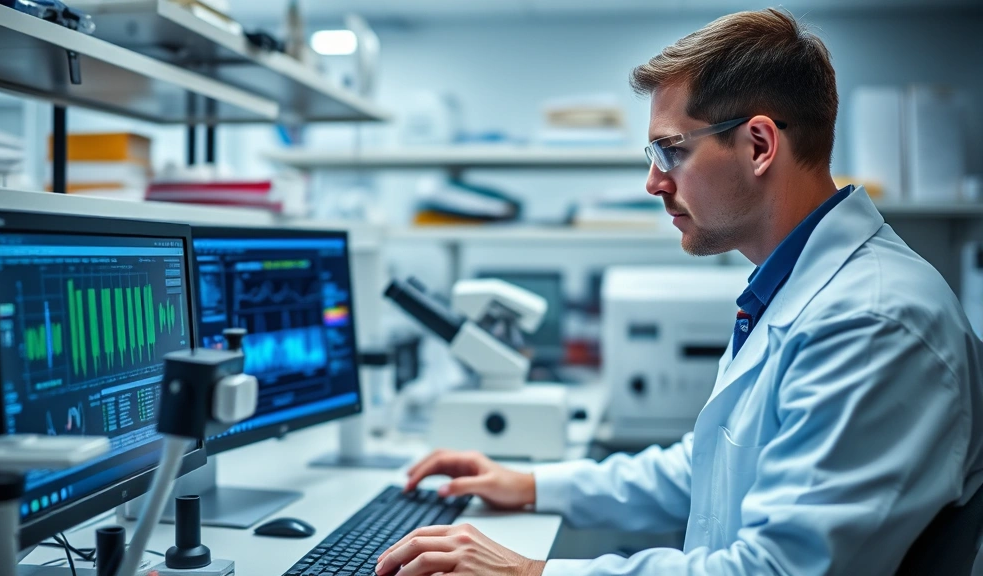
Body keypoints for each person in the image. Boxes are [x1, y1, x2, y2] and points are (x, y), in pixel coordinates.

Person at [374, 7, 983, 576]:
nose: (652, 181)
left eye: (671, 150)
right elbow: (709, 464)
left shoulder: (873, 321)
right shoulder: (795, 286)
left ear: (760, 146)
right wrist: (533, 485)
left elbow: (775, 570)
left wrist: (531, 570)